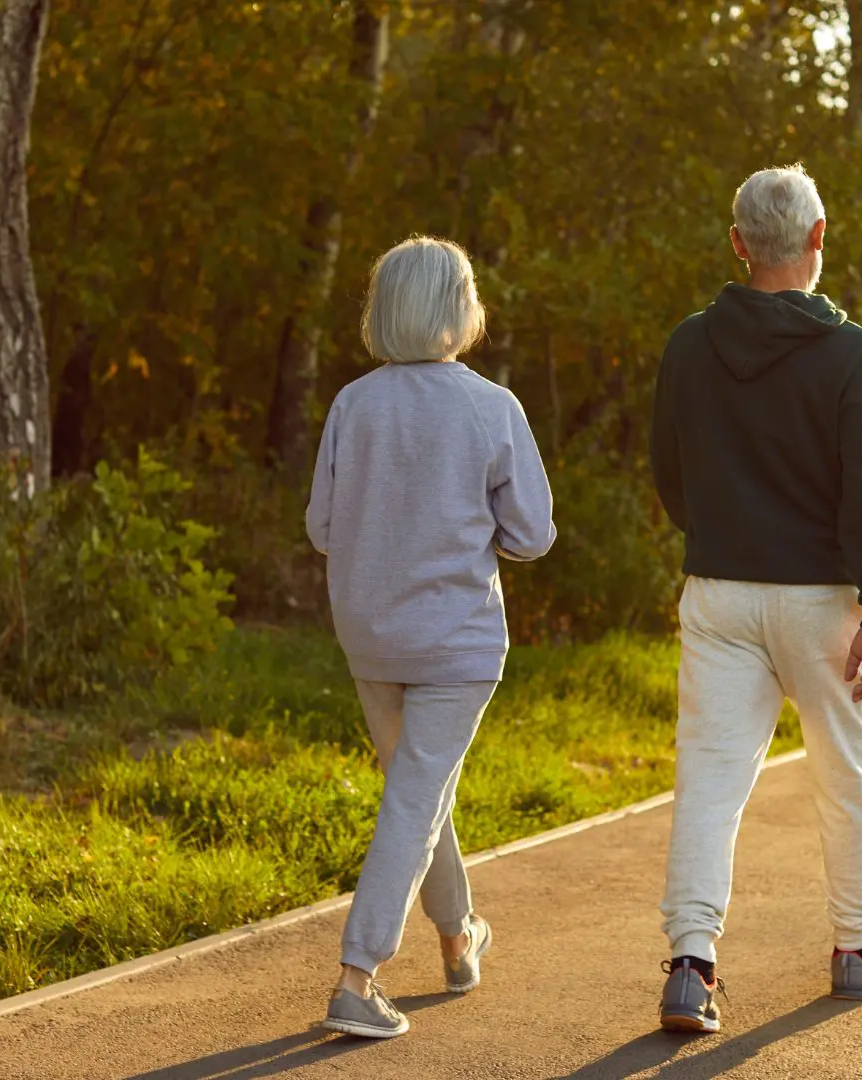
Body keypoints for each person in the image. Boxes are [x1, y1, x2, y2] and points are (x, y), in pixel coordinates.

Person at [649, 165, 862, 1033]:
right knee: (843, 771)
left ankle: (691, 968)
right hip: (821, 599)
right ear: (818, 236)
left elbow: (668, 474)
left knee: (709, 778)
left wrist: (720, 535)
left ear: (738, 244)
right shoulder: (851, 353)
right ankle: (855, 948)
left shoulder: (689, 344)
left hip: (719, 593)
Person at [305, 235, 556, 1039]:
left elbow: (320, 526)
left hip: (371, 636)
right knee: (416, 797)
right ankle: (357, 977)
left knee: (420, 793)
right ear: (458, 308)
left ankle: (457, 939)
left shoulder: (353, 404)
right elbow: (534, 534)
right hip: (455, 642)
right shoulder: (492, 407)